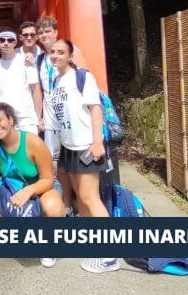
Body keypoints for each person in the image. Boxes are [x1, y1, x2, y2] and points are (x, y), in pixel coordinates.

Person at [46, 39, 120, 274]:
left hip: (86, 145)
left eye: (61, 52)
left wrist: (97, 141)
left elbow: (95, 108)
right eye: (53, 52)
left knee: (90, 198)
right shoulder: (56, 81)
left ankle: (109, 256)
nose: (56, 55)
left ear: (70, 56)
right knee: (81, 197)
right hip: (69, 147)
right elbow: (55, 122)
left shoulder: (83, 76)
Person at [0, 102, 64, 268]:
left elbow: (48, 179)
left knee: (52, 206)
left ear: (11, 120)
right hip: (13, 188)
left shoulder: (33, 142)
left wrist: (29, 191)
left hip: (41, 186)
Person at [35, 15, 87, 215]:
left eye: (47, 31)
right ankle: (63, 202)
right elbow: (40, 89)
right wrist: (39, 116)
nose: (44, 35)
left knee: (76, 160)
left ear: (56, 32)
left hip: (72, 116)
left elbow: (85, 78)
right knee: (56, 163)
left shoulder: (71, 52)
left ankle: (82, 203)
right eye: (41, 32)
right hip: (50, 118)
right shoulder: (40, 58)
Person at [0, 27, 43, 135]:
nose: (6, 43)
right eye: (2, 40)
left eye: (10, 40)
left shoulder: (26, 61)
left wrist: (38, 118)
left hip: (26, 120)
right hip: (5, 121)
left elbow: (36, 90)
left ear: (15, 42)